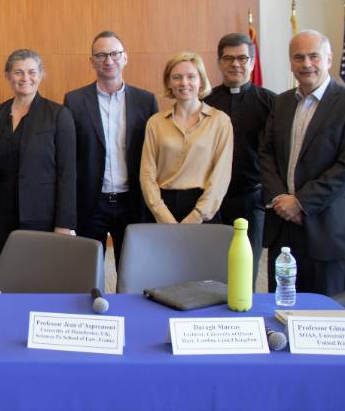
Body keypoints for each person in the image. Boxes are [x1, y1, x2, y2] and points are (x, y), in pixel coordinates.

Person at [259, 30, 345, 296]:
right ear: (291, 63)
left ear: (329, 59)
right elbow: (265, 153)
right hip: (284, 226)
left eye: (314, 56)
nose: (306, 64)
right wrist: (280, 198)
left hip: (329, 228)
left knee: (328, 315)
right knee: (282, 307)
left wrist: (300, 202)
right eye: (299, 57)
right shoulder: (282, 102)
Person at [64, 31, 158, 268]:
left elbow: (154, 154)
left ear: (125, 57)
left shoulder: (146, 101)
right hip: (91, 202)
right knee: (87, 272)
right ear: (91, 61)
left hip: (133, 201)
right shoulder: (74, 101)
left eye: (115, 54)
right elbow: (68, 158)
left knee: (132, 272)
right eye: (101, 55)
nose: (109, 60)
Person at [0, 49, 77, 260]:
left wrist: (64, 225)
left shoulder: (58, 115)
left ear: (41, 75)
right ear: (8, 76)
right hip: (4, 217)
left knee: (43, 280)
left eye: (31, 72)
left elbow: (67, 174)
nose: (25, 78)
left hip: (44, 218)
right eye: (18, 72)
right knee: (9, 277)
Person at [204, 33, 275, 285]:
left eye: (242, 58)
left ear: (253, 62)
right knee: (212, 267)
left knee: (247, 269)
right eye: (229, 58)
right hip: (213, 200)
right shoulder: (206, 102)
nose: (236, 64)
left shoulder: (270, 102)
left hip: (252, 198)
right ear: (220, 62)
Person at [140, 52, 233, 224]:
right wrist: (162, 215)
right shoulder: (155, 122)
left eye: (191, 76)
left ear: (201, 81)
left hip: (203, 209)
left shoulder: (220, 122)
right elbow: (147, 174)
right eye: (177, 77)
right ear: (169, 82)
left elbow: (221, 175)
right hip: (162, 208)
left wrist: (197, 216)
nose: (184, 83)